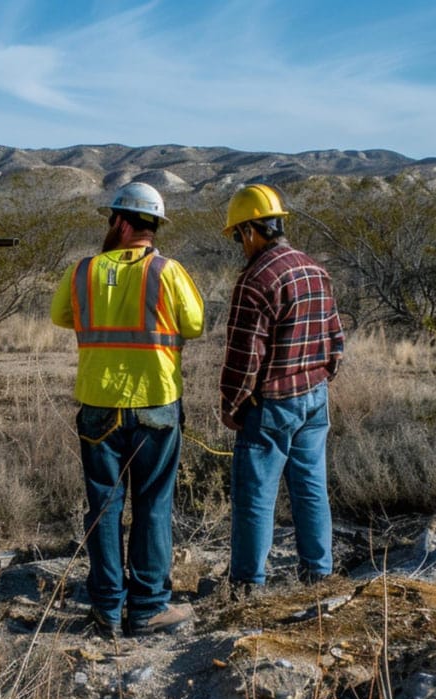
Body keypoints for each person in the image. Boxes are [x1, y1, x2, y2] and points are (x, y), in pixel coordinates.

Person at [51, 182, 205, 638]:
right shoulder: (168, 272)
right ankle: (148, 608)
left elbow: (61, 316)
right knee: (153, 505)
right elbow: (195, 323)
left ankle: (107, 608)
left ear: (120, 222)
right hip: (156, 401)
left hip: (99, 403)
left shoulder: (83, 271)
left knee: (103, 508)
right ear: (154, 225)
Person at [219, 184, 345, 594]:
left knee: (255, 495)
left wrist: (231, 404)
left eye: (238, 236)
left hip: (271, 404)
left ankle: (247, 586)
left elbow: (245, 357)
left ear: (250, 230)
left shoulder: (256, 280)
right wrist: (318, 379)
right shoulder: (315, 269)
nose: (240, 245)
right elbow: (336, 340)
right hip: (315, 397)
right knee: (311, 489)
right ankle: (319, 576)